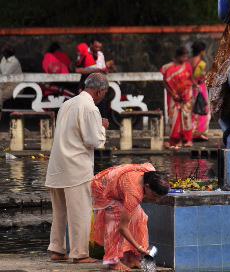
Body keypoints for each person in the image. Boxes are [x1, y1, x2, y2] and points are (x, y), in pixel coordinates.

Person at [45, 73, 109, 263]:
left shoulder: (67, 104)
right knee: (80, 212)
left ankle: (57, 250)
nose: (103, 97)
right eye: (104, 94)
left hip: (57, 166)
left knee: (59, 212)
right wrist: (102, 126)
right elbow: (94, 140)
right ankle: (79, 254)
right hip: (76, 168)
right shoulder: (90, 108)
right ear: (99, 91)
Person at [92, 163, 169, 271]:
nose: (156, 200)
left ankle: (132, 258)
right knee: (116, 220)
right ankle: (112, 261)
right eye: (155, 196)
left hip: (120, 185)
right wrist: (139, 247)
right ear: (147, 186)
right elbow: (122, 228)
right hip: (102, 187)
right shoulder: (134, 193)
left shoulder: (150, 172)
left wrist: (138, 250)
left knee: (140, 217)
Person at [161, 46, 194, 148]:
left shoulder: (188, 66)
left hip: (186, 96)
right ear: (178, 56)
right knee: (175, 118)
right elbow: (165, 82)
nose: (186, 58)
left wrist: (185, 93)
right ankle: (176, 140)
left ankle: (188, 140)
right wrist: (174, 93)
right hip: (173, 97)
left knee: (186, 117)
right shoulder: (168, 67)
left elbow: (191, 80)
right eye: (184, 56)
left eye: (186, 56)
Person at [190, 41, 211, 140]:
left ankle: (191, 132)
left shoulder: (189, 62)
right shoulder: (202, 63)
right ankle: (201, 133)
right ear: (202, 51)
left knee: (192, 110)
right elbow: (202, 77)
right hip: (200, 89)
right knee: (203, 109)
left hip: (190, 89)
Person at [0, 45, 22, 119]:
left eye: (4, 50)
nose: (2, 51)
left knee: (0, 94)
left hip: (15, 86)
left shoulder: (14, 62)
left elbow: (5, 75)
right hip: (5, 83)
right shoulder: (3, 59)